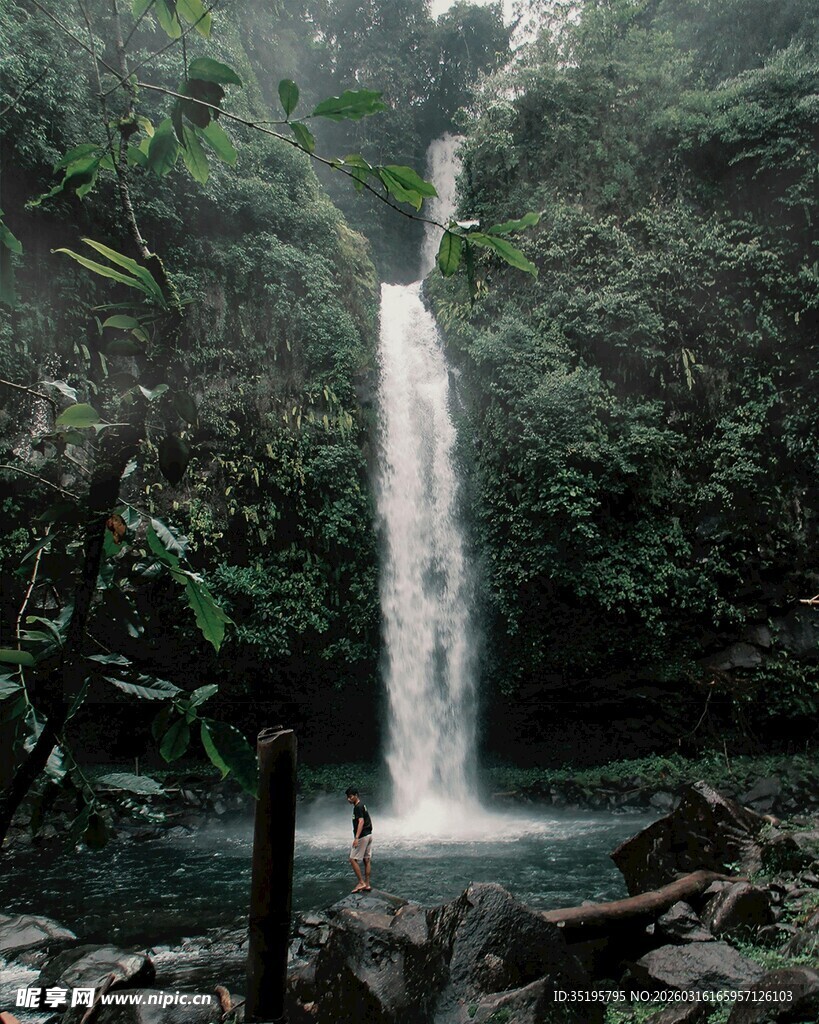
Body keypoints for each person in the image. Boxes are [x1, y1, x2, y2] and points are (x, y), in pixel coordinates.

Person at [345, 786, 373, 892]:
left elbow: (361, 821)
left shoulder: (357, 807)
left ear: (356, 795)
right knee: (366, 859)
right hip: (369, 834)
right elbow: (368, 819)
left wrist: (357, 838)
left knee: (352, 859)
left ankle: (361, 882)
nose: (348, 799)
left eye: (350, 797)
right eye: (347, 797)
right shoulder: (363, 805)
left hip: (362, 836)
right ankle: (367, 884)